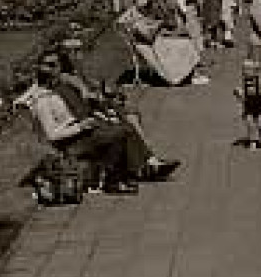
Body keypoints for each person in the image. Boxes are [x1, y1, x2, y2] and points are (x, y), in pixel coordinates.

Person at [18, 51, 179, 194]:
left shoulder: (60, 88)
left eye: (54, 65)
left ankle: (146, 166)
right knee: (121, 131)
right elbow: (52, 135)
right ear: (39, 68)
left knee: (124, 123)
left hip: (81, 133)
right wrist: (80, 127)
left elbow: (82, 102)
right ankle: (119, 178)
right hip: (71, 142)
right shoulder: (42, 98)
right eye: (46, 65)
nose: (50, 69)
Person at [237, 58, 261, 149]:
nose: (245, 72)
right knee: (250, 123)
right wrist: (239, 94)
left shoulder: (259, 80)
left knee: (260, 123)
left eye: (248, 69)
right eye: (244, 69)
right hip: (248, 106)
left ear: (255, 71)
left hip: (259, 106)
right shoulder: (244, 81)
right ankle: (252, 140)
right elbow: (242, 93)